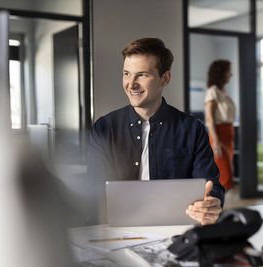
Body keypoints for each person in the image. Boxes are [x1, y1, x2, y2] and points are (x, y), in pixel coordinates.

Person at [88, 38, 224, 225]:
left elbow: (211, 185)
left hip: (177, 230)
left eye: (142, 75)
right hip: (117, 231)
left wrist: (212, 203)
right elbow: (93, 191)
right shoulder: (104, 128)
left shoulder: (192, 129)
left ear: (165, 78)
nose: (131, 84)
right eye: (127, 74)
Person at [204, 60, 236, 190]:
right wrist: (216, 141)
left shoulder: (224, 92)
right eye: (229, 72)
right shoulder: (213, 92)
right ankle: (217, 207)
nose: (231, 75)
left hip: (229, 135)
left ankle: (220, 207)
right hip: (219, 134)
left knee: (227, 176)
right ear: (221, 73)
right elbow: (209, 118)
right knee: (224, 177)